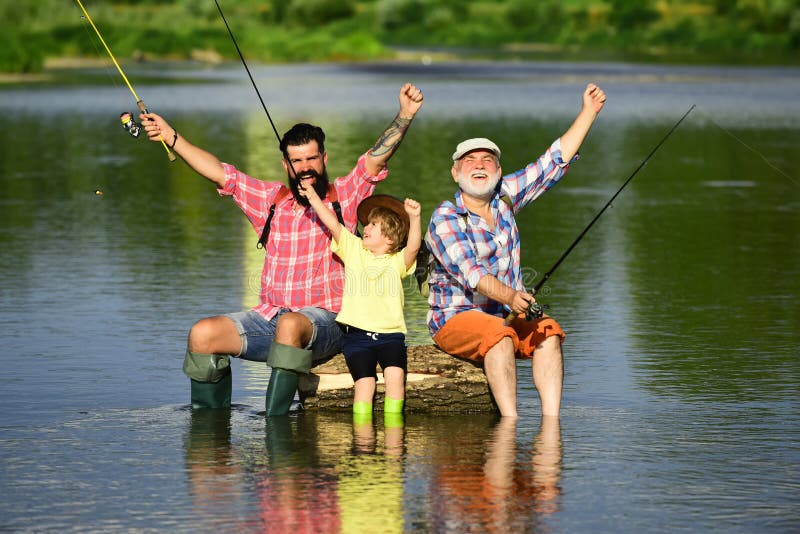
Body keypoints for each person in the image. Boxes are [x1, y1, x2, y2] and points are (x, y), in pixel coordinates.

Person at [141, 83, 424, 413]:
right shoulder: (270, 201)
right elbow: (219, 172)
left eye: (311, 159)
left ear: (324, 159)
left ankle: (275, 428)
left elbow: (375, 160)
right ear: (285, 165)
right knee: (203, 335)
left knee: (292, 323)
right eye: (296, 161)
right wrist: (170, 136)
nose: (305, 167)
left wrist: (405, 114)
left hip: (328, 323)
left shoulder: (343, 197)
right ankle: (211, 438)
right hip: (270, 320)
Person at [425, 83, 606, 418]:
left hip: (504, 315)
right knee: (499, 334)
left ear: (497, 171)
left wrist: (588, 113)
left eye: (488, 160)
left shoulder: (504, 196)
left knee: (549, 332)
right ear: (455, 172)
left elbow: (551, 163)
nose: (479, 165)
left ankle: (552, 422)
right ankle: (511, 423)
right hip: (454, 319)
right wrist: (511, 296)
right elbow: (472, 274)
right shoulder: (445, 218)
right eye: (469, 161)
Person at [298, 182, 421, 421]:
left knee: (396, 381)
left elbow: (414, 247)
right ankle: (363, 441)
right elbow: (332, 223)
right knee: (364, 386)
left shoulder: (397, 261)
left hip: (391, 336)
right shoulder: (354, 250)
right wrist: (313, 196)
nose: (366, 227)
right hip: (357, 337)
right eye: (367, 224)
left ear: (389, 238)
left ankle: (394, 440)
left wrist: (415, 218)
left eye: (374, 225)